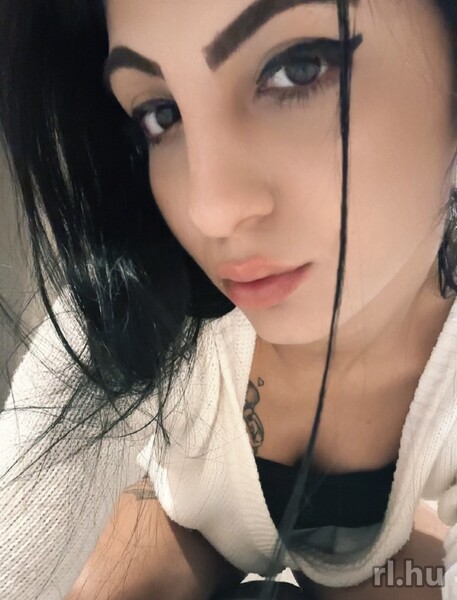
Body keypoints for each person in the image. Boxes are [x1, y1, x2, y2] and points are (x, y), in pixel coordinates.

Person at [1, 0, 457, 598]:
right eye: (161, 114)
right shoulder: (144, 303)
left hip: (374, 553)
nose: (209, 210)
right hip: (188, 519)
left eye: (298, 68)